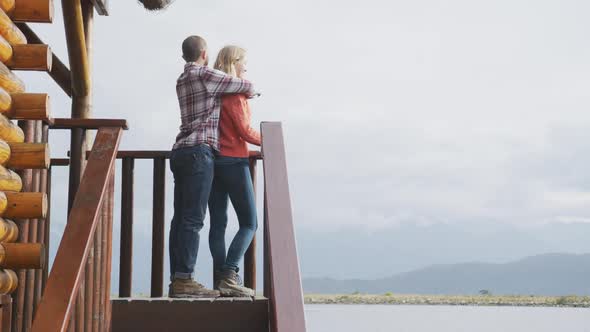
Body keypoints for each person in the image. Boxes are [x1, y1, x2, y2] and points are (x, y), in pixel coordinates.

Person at [169, 36, 255, 298]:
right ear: (204, 54)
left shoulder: (181, 80)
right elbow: (244, 84)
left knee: (181, 219)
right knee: (195, 219)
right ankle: (190, 280)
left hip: (181, 150)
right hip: (200, 153)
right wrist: (252, 91)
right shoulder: (206, 75)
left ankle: (179, 279)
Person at [208, 45, 260, 297]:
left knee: (218, 224)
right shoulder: (235, 95)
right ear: (235, 62)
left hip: (213, 161)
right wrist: (271, 140)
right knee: (250, 222)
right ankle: (230, 274)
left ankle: (220, 280)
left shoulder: (214, 93)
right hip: (234, 161)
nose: (246, 67)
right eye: (244, 62)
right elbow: (245, 131)